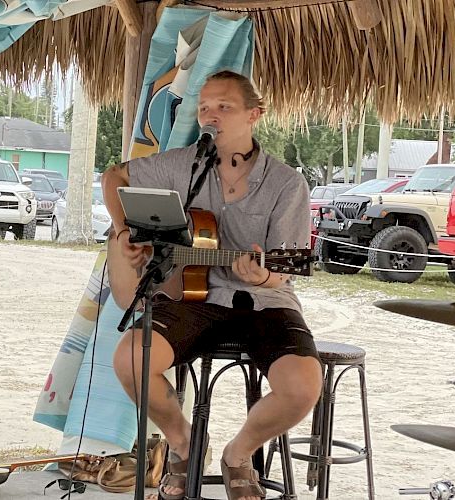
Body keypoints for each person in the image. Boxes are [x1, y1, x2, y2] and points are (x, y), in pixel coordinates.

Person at [101, 70, 322, 500]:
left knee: (302, 386)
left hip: (263, 300)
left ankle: (238, 454)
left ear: (254, 115)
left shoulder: (286, 183)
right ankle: (183, 443)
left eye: (224, 107)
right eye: (204, 107)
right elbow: (114, 176)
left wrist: (263, 273)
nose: (211, 116)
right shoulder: (184, 163)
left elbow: (284, 266)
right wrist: (124, 231)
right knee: (129, 360)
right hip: (189, 295)